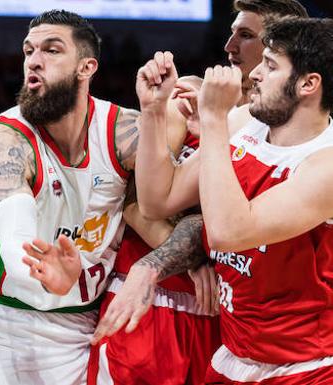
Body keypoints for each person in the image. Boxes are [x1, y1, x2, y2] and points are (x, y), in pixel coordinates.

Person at [0, 10, 203, 384]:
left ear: (86, 67)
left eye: (51, 50)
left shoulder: (122, 132)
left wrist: (159, 110)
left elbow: (182, 213)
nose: (34, 60)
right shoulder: (7, 140)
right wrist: (43, 274)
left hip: (89, 325)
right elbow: (15, 237)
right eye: (29, 50)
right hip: (10, 327)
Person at [87, 1, 309, 384]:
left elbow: (244, 223)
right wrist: (189, 260)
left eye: (246, 35)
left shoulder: (291, 134)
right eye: (232, 32)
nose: (229, 46)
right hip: (152, 302)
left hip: (228, 320)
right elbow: (136, 202)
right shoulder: (189, 93)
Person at [135, 17, 333, 384]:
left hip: (306, 368)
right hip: (234, 353)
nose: (255, 74)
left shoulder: (327, 164)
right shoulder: (247, 123)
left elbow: (228, 231)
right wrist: (152, 111)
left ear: (308, 83)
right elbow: (156, 200)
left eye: (271, 65)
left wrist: (212, 117)